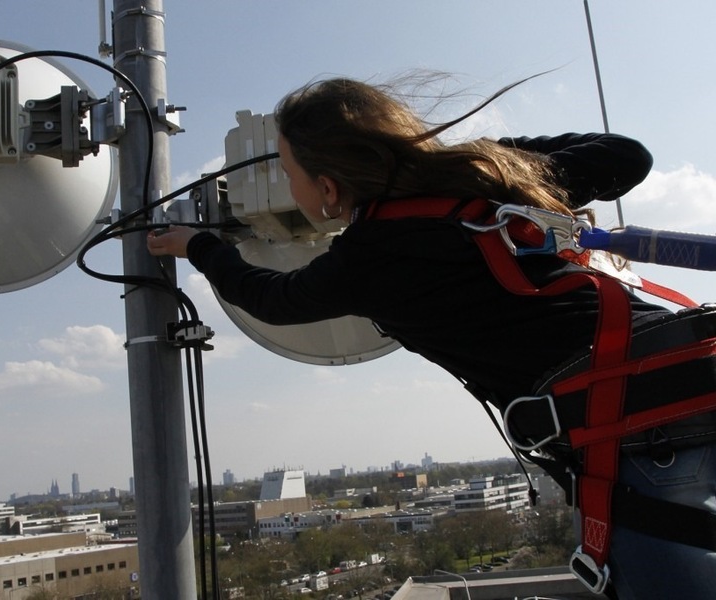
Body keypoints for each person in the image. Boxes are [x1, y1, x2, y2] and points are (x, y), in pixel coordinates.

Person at [147, 77, 716, 599]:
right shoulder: (481, 185)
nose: (290, 189)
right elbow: (626, 157)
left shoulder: (368, 258)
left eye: (292, 175)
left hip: (645, 449)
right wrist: (474, 158)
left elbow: (271, 296)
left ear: (327, 187)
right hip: (697, 382)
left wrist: (199, 246)